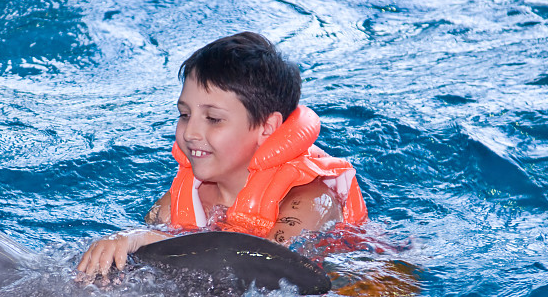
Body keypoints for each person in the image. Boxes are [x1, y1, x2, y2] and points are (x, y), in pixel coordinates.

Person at [77, 32, 367, 280]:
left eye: (213, 119)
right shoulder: (179, 199)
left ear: (267, 128)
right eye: (185, 114)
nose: (190, 132)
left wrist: (151, 240)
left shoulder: (309, 200)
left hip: (344, 295)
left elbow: (274, 268)